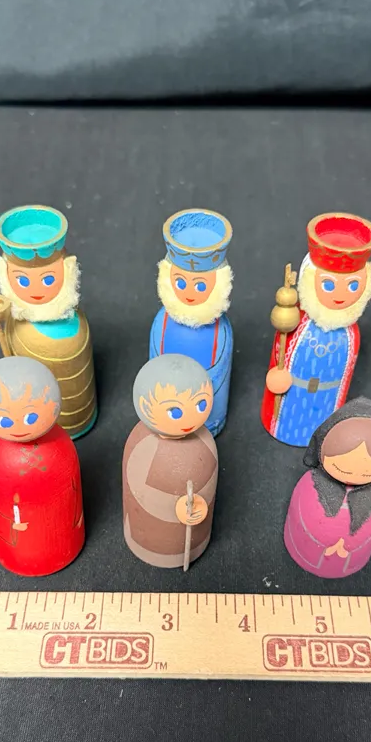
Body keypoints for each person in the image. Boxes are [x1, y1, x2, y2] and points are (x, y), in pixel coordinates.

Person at [0, 204, 97, 439]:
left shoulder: (77, 322)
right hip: (40, 422)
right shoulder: (15, 325)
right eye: (23, 280)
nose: (36, 291)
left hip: (81, 410)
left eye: (48, 279)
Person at [261, 212, 371, 447]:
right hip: (290, 399)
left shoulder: (350, 335)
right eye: (328, 284)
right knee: (285, 417)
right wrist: (276, 376)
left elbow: (344, 377)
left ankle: (320, 437)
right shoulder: (296, 322)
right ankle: (281, 426)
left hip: (326, 400)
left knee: (321, 430)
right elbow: (280, 355)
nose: (340, 295)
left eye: (352, 285)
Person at [0, 356, 84, 575]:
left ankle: (54, 549)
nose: (18, 427)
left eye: (30, 417)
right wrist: (13, 525)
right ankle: (28, 555)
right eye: (5, 421)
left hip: (60, 535)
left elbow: (72, 495)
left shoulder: (60, 447)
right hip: (19, 545)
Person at [284, 397, 371, 578]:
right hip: (308, 551)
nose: (355, 470)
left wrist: (346, 546)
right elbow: (302, 517)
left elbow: (370, 530)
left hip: (348, 558)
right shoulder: (311, 484)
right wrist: (326, 542)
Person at [123, 354, 218, 568]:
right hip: (147, 538)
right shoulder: (143, 445)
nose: (189, 418)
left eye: (200, 404)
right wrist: (180, 508)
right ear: (144, 405)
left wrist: (197, 507)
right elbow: (140, 493)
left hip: (193, 541)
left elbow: (207, 487)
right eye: (175, 411)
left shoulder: (205, 442)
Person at [149, 208, 234, 436]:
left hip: (206, 409)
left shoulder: (221, 331)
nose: (189, 293)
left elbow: (219, 371)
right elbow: (155, 366)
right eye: (180, 282)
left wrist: (198, 394)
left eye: (200, 285)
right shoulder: (161, 324)